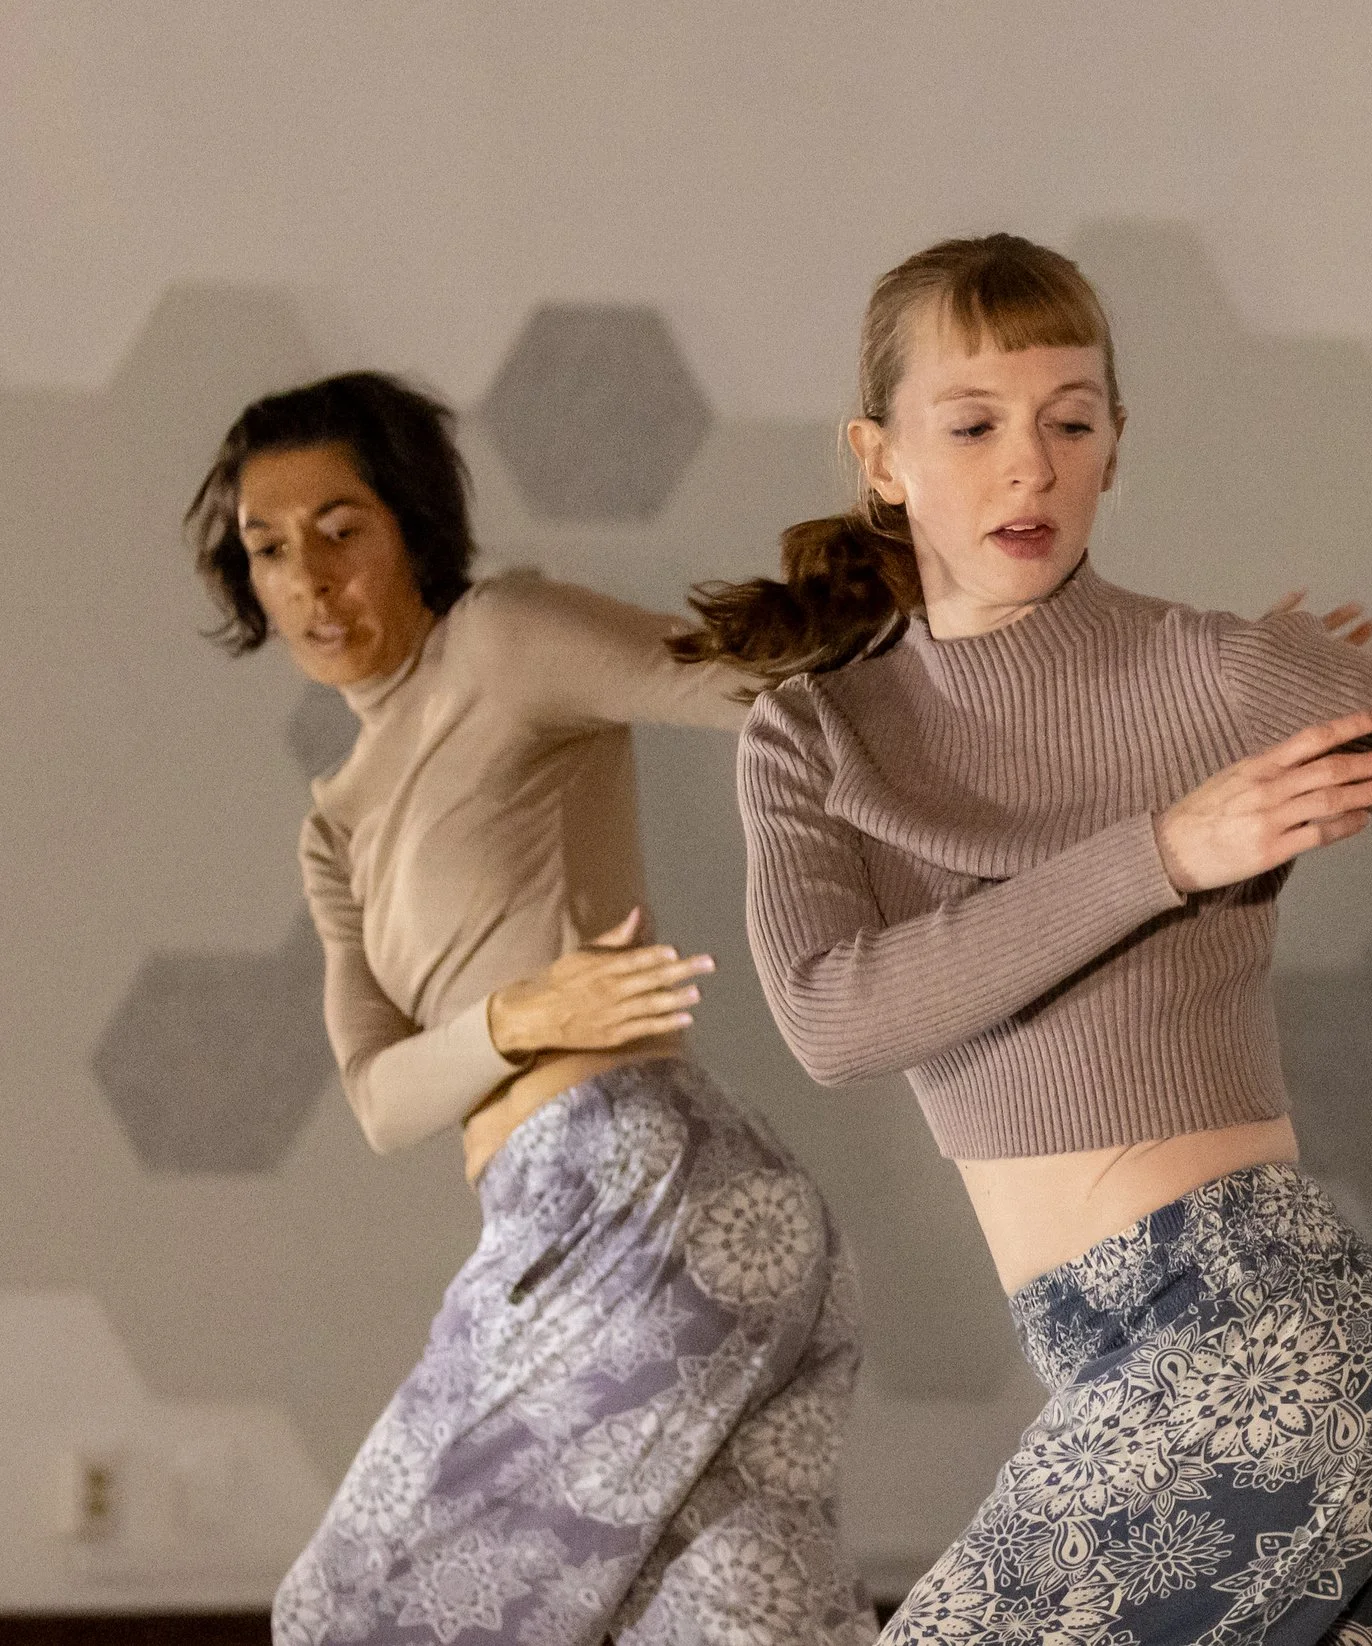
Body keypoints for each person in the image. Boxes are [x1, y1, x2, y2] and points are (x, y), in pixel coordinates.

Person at [681, 233, 1372, 1646]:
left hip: (1262, 1332)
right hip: (1188, 1361)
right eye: (972, 425)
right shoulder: (817, 733)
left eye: (1070, 420)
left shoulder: (1224, 671)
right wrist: (1165, 850)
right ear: (880, 455)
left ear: (1113, 447)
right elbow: (834, 1017)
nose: (1028, 465)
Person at [189, 372, 872, 1646]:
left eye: (342, 528)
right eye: (266, 547)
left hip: (631, 1197)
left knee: (344, 1616)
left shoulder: (498, 640)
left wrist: (924, 571)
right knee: (733, 1614)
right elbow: (382, 1098)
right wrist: (518, 1012)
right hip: (663, 1219)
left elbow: (752, 689)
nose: (307, 577)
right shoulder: (333, 822)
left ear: (412, 526)